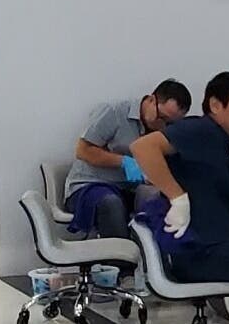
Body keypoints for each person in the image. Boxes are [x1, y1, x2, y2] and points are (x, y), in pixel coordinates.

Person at [130, 71, 229, 287]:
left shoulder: (225, 156)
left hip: (222, 245)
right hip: (201, 253)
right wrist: (177, 197)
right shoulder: (201, 130)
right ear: (215, 105)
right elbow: (143, 147)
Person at [63, 79, 189, 240]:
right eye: (161, 117)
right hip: (90, 186)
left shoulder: (166, 130)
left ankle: (158, 255)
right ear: (151, 99)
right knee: (111, 203)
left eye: (170, 123)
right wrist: (124, 162)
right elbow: (83, 150)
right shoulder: (114, 113)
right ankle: (118, 256)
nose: (162, 125)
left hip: (130, 191)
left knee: (166, 206)